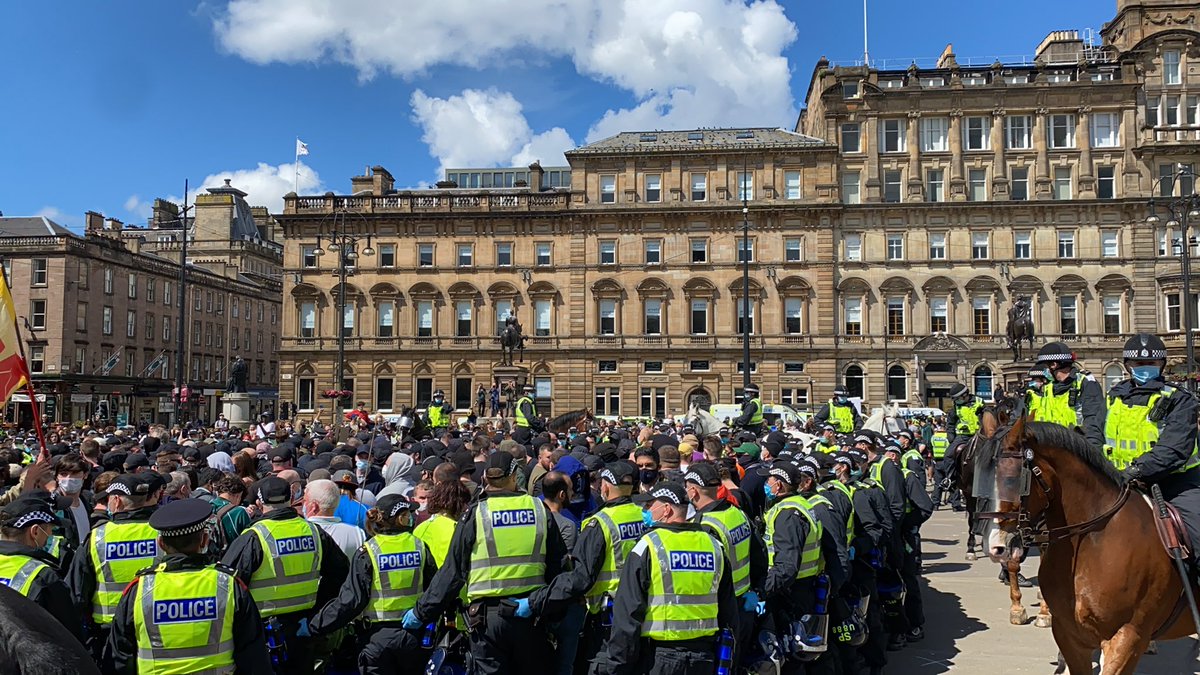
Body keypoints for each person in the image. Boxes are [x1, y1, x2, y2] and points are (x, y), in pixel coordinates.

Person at [407, 451, 568, 674]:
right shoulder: (538, 509)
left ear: (486, 479)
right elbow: (558, 566)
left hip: (486, 621)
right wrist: (551, 611)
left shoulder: (476, 513)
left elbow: (452, 572)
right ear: (513, 476)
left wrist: (421, 612)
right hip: (530, 614)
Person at [105, 498, 271, 674]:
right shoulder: (228, 585)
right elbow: (254, 656)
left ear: (161, 544)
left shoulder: (139, 590)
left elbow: (119, 657)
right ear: (204, 540)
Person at [599, 482, 737, 675]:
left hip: (659, 658)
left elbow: (628, 614)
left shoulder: (648, 546)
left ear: (666, 509)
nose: (645, 510)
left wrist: (617, 666)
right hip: (704, 657)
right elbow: (728, 611)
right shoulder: (714, 545)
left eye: (649, 505)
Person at [220, 476, 350, 674]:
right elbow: (340, 574)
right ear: (292, 498)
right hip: (303, 630)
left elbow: (227, 585)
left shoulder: (254, 537)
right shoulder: (314, 532)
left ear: (259, 503)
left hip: (263, 636)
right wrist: (317, 611)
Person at [310, 494, 438, 675]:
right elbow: (434, 590)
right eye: (407, 513)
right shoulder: (419, 546)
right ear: (399, 518)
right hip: (412, 635)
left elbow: (351, 601)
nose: (411, 516)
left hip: (377, 639)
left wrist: (315, 626)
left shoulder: (369, 551)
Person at [1106, 333, 1200, 568]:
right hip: (1119, 483)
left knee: (1198, 535)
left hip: (1176, 483)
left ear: (1162, 365)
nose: (1145, 368)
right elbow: (1098, 437)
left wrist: (1137, 470)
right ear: (1128, 366)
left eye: (1152, 364)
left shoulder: (1179, 399)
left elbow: (1175, 448)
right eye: (1139, 364)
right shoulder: (1114, 397)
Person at [67, 473, 164, 661]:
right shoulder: (162, 534)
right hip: (154, 626)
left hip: (108, 633)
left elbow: (77, 593)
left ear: (116, 501)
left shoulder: (98, 538)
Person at [686, 461, 766, 667]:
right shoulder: (735, 512)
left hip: (721, 611)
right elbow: (760, 555)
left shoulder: (703, 525)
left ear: (693, 491)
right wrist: (756, 590)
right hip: (745, 603)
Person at [0, 492, 79, 639]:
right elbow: (68, 635)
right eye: (49, 528)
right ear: (35, 531)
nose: (50, 534)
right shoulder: (43, 576)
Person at [1030, 341, 1107, 450]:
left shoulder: (1085, 383)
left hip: (1077, 450)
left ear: (1054, 365)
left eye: (1045, 366)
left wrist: (1091, 454)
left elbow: (1093, 422)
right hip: (1051, 452)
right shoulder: (1048, 388)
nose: (1044, 371)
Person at [305, 479, 367, 560]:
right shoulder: (357, 533)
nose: (304, 505)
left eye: (305, 501)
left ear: (314, 506)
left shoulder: (300, 531)